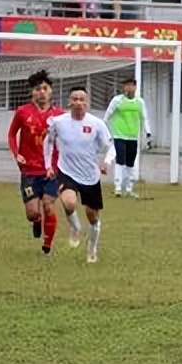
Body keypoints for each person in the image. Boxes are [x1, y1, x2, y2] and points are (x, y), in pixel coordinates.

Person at [44, 88, 114, 264]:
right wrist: (48, 165)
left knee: (92, 216)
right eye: (75, 99)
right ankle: (75, 228)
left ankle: (91, 249)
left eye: (82, 99)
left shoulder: (97, 124)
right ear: (69, 102)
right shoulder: (59, 122)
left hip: (90, 175)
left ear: (87, 103)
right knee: (68, 203)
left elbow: (111, 146)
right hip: (67, 171)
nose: (78, 102)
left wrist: (106, 162)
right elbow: (48, 141)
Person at [7, 70, 64, 255]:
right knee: (32, 213)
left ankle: (47, 246)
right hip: (29, 170)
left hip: (51, 170)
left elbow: (68, 139)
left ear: (51, 91)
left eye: (45, 88)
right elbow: (11, 134)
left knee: (48, 204)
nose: (42, 92)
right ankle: (37, 221)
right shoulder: (22, 112)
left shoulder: (60, 115)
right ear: (32, 92)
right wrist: (17, 154)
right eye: (38, 89)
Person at [104, 76, 152, 198]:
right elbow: (107, 116)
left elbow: (144, 118)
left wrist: (148, 132)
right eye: (125, 86)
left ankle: (129, 188)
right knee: (120, 160)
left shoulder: (139, 102)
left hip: (133, 137)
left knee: (130, 162)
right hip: (119, 135)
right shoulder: (117, 100)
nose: (128, 88)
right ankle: (118, 187)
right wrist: (108, 133)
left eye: (130, 85)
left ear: (135, 87)